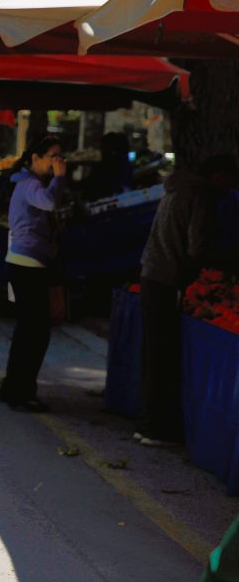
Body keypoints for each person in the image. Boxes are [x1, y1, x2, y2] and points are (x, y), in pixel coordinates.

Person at [136, 154, 238, 446]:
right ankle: (155, 428)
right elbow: (197, 248)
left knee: (153, 353)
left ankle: (147, 422)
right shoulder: (202, 197)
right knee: (163, 355)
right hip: (169, 280)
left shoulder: (177, 188)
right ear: (218, 175)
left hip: (151, 273)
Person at [0, 135, 66, 413]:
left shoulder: (29, 183)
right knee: (35, 332)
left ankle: (14, 388)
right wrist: (59, 178)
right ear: (35, 158)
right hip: (27, 264)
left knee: (29, 330)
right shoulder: (29, 185)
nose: (58, 162)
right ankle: (21, 392)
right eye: (53, 156)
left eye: (61, 156)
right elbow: (49, 203)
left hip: (30, 261)